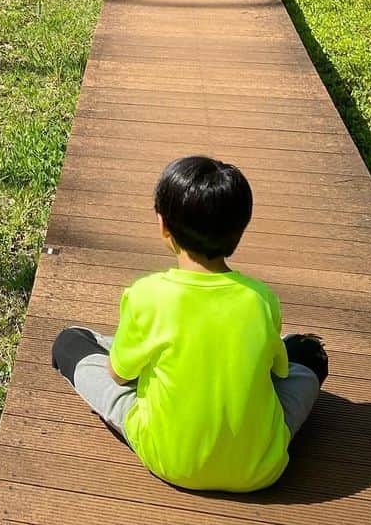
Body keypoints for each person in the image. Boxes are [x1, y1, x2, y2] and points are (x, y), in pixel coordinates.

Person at [51, 155, 328, 492]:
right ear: (239, 231)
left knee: (71, 342)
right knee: (309, 352)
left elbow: (118, 376)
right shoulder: (261, 298)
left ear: (163, 226)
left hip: (169, 459)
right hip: (260, 468)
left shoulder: (146, 296)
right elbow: (278, 373)